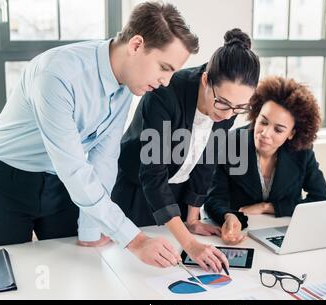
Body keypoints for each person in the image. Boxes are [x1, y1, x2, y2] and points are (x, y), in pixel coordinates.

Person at [0, 2, 199, 269]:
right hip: (5, 179)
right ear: (136, 45)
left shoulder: (128, 81)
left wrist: (91, 227)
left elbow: (104, 156)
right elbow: (74, 168)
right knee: (9, 271)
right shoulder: (57, 75)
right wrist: (135, 240)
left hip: (59, 182)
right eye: (164, 67)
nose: (167, 81)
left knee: (73, 267)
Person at [108, 29, 260, 273]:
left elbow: (207, 160)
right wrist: (190, 244)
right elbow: (153, 171)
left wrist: (192, 220)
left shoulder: (228, 105)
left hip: (177, 188)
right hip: (138, 188)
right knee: (136, 271)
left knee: (175, 270)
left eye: (239, 108)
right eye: (222, 103)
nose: (227, 114)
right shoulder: (166, 93)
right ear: (205, 80)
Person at [204, 76, 326, 245]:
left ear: (291, 134)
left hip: (283, 236)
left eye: (278, 129)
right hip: (241, 234)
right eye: (263, 122)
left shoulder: (302, 152)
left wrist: (269, 207)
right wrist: (228, 215)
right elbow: (213, 199)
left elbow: (321, 200)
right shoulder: (230, 143)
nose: (265, 133)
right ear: (256, 115)